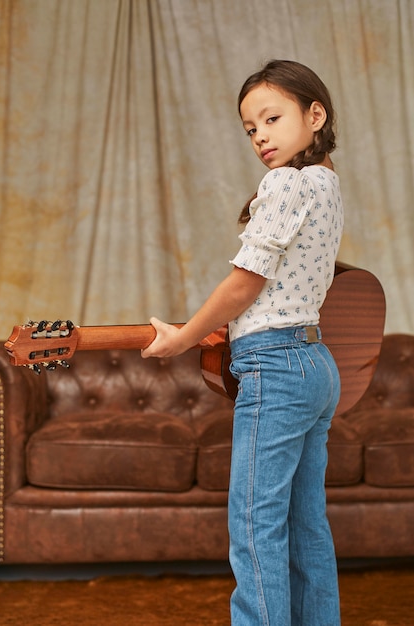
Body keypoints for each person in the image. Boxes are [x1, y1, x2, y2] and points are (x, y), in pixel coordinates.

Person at [141, 59, 344, 626]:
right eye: (250, 128)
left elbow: (246, 280)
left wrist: (182, 338)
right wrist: (226, 327)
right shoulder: (327, 184)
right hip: (316, 365)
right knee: (306, 527)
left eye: (272, 118)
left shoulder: (285, 182)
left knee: (255, 528)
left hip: (277, 367)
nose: (260, 137)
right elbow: (280, 286)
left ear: (315, 114)